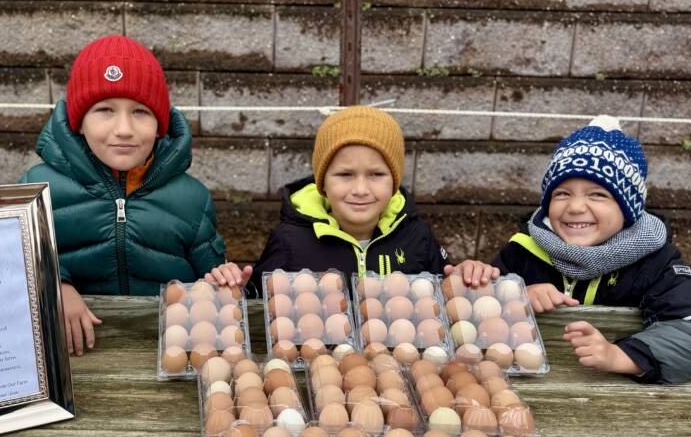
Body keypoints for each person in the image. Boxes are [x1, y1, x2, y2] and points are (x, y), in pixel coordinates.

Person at [19, 36, 226, 355]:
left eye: (141, 112)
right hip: (74, 358)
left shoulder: (192, 199)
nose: (125, 128)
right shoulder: (37, 188)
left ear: (160, 123)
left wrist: (226, 281)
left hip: (165, 351)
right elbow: (10, 264)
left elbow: (213, 282)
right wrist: (55, 284)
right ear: (78, 122)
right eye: (105, 110)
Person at [491, 115, 691, 383]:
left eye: (597, 195)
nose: (576, 207)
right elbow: (472, 313)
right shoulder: (523, 250)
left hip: (623, 400)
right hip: (529, 388)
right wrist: (515, 296)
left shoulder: (657, 263)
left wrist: (619, 356)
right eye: (562, 194)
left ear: (627, 211)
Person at [206, 105, 496, 295]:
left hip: (401, 375)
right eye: (345, 174)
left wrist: (468, 275)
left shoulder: (416, 235)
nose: (360, 189)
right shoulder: (291, 239)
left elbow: (447, 293)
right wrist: (236, 286)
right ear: (322, 183)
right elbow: (257, 299)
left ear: (394, 182)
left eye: (376, 174)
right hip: (317, 372)